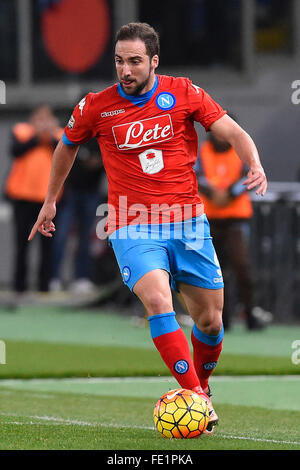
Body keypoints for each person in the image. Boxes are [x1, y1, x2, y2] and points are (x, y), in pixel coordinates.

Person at [28, 23, 267, 434]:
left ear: (154, 61)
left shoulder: (184, 92)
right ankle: (195, 397)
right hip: (130, 222)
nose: (126, 69)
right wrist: (50, 200)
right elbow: (66, 145)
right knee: (158, 300)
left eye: (135, 61)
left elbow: (232, 131)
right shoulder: (96, 107)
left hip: (189, 222)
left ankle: (201, 390)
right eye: (120, 61)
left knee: (210, 321)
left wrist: (255, 162)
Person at [197, 123, 272, 330]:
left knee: (242, 269)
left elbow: (249, 176)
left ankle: (250, 313)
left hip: (235, 220)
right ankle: (223, 317)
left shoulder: (241, 150)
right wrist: (213, 194)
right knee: (216, 272)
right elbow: (194, 176)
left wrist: (228, 194)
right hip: (210, 220)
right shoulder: (202, 152)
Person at [5, 104, 62, 294]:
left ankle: (44, 286)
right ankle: (19, 286)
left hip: (48, 200)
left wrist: (49, 134)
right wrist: (38, 136)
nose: (43, 122)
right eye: (40, 118)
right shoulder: (22, 131)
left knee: (48, 245)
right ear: (33, 118)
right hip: (22, 196)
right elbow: (16, 150)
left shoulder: (59, 135)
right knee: (22, 243)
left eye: (47, 118)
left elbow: (64, 153)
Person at [49, 137, 104, 294]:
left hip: (91, 192)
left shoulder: (99, 133)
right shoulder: (71, 127)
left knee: (86, 237)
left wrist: (96, 161)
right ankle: (54, 277)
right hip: (70, 191)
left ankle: (81, 278)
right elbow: (61, 151)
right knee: (60, 236)